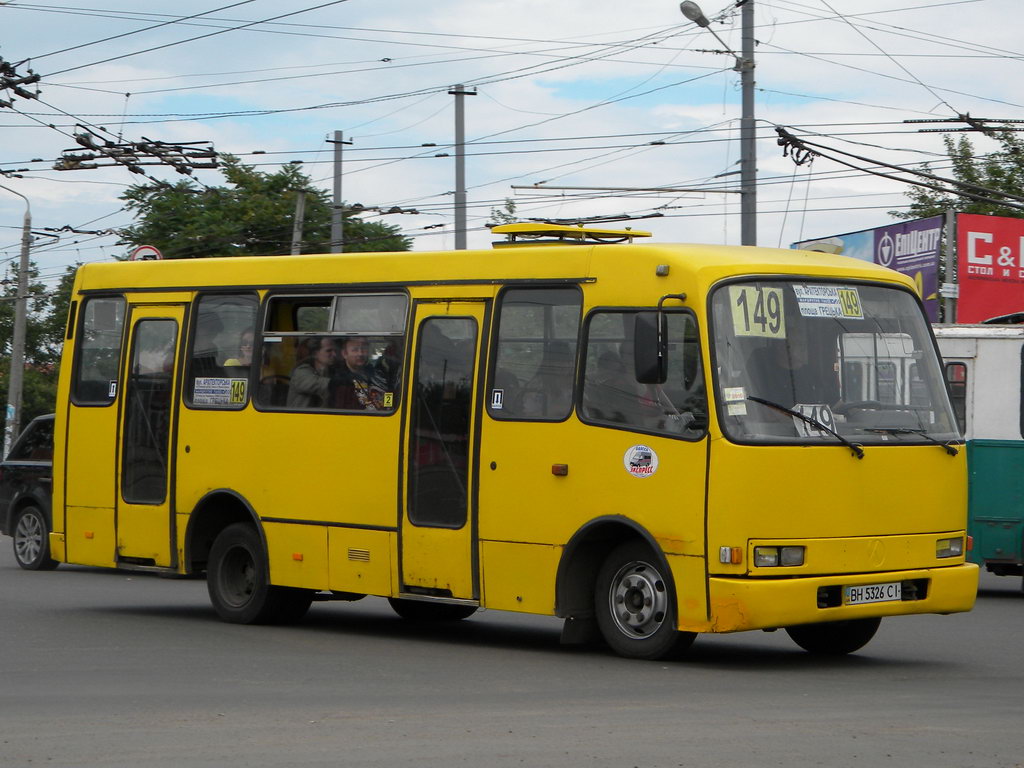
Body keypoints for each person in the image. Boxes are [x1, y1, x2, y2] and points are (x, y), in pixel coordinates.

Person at [286, 336, 338, 409]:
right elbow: (317, 384)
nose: (334, 354)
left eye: (335, 351)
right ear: (315, 354)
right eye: (329, 351)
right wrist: (343, 384)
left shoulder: (331, 371)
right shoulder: (301, 372)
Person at [332, 336, 379, 410]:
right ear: (344, 353)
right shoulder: (340, 381)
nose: (360, 354)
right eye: (355, 350)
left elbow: (387, 395)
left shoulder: (375, 373)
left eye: (364, 349)